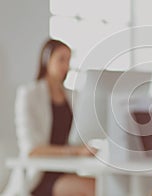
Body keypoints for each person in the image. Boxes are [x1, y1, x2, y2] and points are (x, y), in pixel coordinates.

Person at [13, 39, 95, 196]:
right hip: (39, 176)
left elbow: (79, 135)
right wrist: (76, 152)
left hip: (66, 170)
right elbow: (32, 150)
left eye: (69, 60)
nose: (66, 66)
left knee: (104, 185)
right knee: (93, 189)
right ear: (46, 60)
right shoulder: (29, 94)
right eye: (61, 59)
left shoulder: (73, 96)